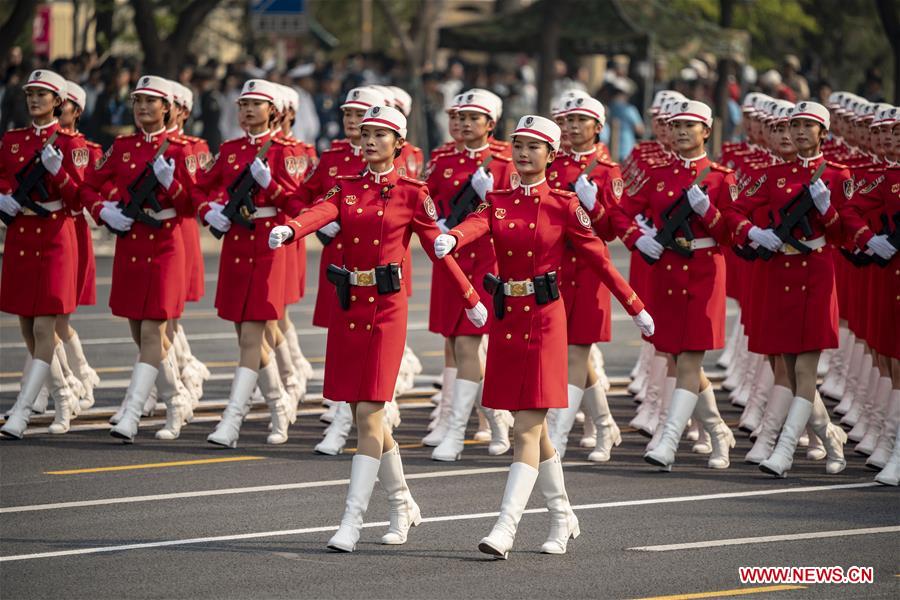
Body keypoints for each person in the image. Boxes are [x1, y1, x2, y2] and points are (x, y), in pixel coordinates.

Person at [268, 104, 487, 552]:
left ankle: (351, 520)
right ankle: (403, 502)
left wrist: (470, 297)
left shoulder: (411, 191)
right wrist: (291, 229)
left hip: (387, 310)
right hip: (348, 304)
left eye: (379, 135)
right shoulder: (346, 187)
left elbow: (436, 248)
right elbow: (319, 211)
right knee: (360, 412)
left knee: (368, 412)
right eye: (364, 134)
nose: (368, 141)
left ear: (398, 145)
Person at [433, 115, 653, 558]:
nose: (523, 152)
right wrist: (452, 238)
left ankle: (505, 527)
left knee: (528, 427)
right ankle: (562, 515)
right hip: (507, 316)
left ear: (552, 156)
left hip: (547, 319)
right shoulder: (497, 200)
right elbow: (477, 224)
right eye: (518, 144)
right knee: (528, 428)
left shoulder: (564, 204)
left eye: (534, 146)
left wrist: (635, 305)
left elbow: (599, 259)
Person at [726, 101, 851, 477]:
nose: (797, 132)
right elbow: (736, 211)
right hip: (780, 270)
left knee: (806, 370)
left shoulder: (837, 174)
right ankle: (830, 437)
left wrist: (828, 210)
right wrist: (754, 232)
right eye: (794, 125)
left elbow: (844, 235)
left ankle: (783, 452)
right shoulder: (774, 173)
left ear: (823, 133)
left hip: (815, 271)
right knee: (790, 368)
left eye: (806, 126)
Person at [610, 100, 737, 471]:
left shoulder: (719, 178)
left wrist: (707, 212)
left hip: (703, 271)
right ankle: (717, 430)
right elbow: (621, 211)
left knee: (689, 358)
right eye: (675, 124)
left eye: (690, 125)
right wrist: (637, 237)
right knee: (678, 358)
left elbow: (731, 234)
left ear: (706, 132)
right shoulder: (659, 174)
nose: (681, 131)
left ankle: (668, 439)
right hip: (667, 271)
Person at [194, 79, 300, 448]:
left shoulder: (285, 151)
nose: (248, 111)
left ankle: (232, 420)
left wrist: (271, 184)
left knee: (252, 335)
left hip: (269, 244)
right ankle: (279, 404)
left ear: (273, 111)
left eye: (256, 105)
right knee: (245, 335)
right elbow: (200, 186)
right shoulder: (229, 150)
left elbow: (299, 204)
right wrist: (209, 210)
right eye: (243, 105)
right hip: (238, 241)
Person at [295, 86, 387, 455]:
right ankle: (339, 412)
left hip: (377, 267)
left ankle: (350, 419)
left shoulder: (392, 159)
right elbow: (304, 196)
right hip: (339, 260)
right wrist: (319, 221)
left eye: (360, 116)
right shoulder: (332, 156)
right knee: (341, 337)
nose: (352, 121)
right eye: (349, 115)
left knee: (372, 348)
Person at [425, 89, 513, 461]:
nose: (462, 123)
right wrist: (437, 221)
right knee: (453, 340)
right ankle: (492, 420)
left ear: (490, 124)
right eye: (459, 117)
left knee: (468, 344)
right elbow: (426, 199)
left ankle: (460, 428)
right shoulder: (443, 157)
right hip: (450, 257)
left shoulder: (506, 160)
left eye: (472, 118)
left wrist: (493, 196)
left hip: (486, 260)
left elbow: (516, 209)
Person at [0, 69, 89, 438]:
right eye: (30, 94)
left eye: (42, 94)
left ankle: (22, 410)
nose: (34, 100)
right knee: (27, 327)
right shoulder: (13, 140)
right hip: (22, 234)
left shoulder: (71, 144)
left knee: (44, 325)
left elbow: (81, 198)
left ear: (59, 102)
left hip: (55, 234)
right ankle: (63, 394)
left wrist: (62, 174)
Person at [545, 95, 625, 461]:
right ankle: (605, 426)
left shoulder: (609, 172)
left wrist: (595, 206)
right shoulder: (554, 164)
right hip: (558, 267)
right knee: (573, 353)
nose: (573, 127)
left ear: (598, 127)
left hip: (590, 271)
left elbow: (610, 230)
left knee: (577, 351)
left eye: (581, 121)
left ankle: (557, 434)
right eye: (568, 120)